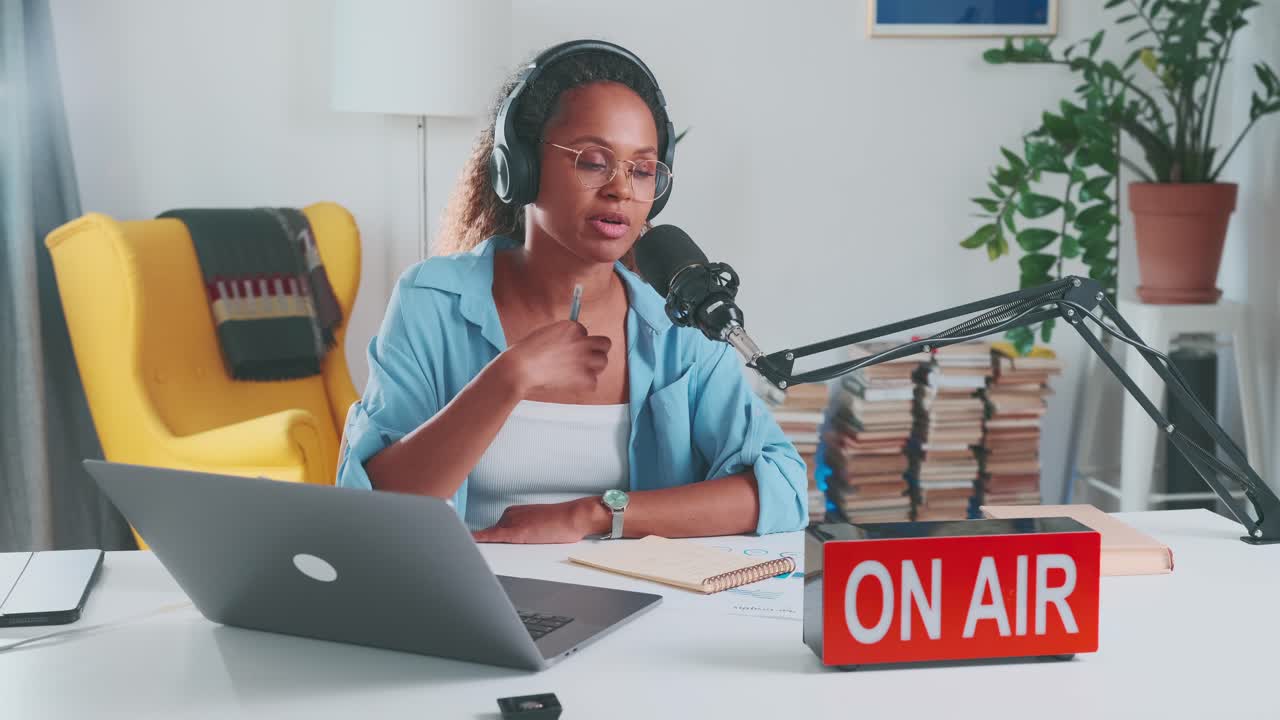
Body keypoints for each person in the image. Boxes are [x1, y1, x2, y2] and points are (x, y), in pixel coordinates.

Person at [336, 40, 807, 543]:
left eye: (642, 170)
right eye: (592, 161)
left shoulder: (676, 326)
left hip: (636, 609)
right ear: (520, 168)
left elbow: (782, 489)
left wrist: (594, 514)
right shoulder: (430, 301)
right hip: (467, 602)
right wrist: (507, 378)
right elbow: (374, 508)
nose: (621, 189)